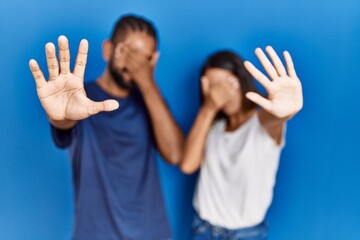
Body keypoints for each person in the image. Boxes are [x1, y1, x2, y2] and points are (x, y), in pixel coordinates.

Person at [29, 15, 184, 240]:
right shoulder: (80, 99)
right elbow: (65, 121)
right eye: (130, 53)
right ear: (108, 50)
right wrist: (59, 116)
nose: (135, 66)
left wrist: (147, 82)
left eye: (145, 59)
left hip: (152, 232)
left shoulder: (151, 100)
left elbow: (175, 154)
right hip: (96, 233)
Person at [180, 47, 303, 239]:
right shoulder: (213, 127)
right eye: (213, 87)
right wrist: (209, 107)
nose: (221, 93)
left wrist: (287, 111)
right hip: (202, 229)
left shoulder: (262, 122)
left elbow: (276, 117)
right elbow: (188, 164)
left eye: (226, 83)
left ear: (241, 79)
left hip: (246, 234)